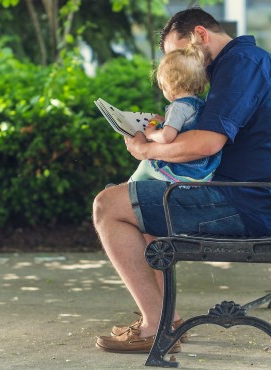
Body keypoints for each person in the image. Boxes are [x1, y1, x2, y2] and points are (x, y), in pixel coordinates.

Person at [93, 7, 271, 354]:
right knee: (135, 200)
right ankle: (166, 322)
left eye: (180, 54)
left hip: (244, 202)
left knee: (108, 205)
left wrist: (146, 151)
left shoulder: (241, 64)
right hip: (240, 194)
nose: (180, 66)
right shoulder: (234, 65)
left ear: (201, 35)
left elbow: (206, 143)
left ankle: (155, 326)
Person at [130, 37, 221, 183]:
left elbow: (167, 137)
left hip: (185, 170)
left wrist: (152, 133)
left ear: (168, 85)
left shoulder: (178, 107)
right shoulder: (200, 104)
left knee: (146, 165)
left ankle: (126, 188)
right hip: (202, 170)